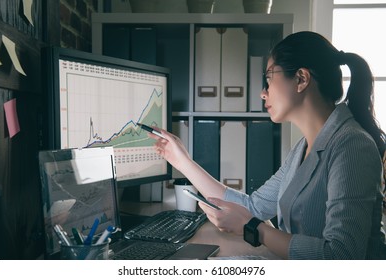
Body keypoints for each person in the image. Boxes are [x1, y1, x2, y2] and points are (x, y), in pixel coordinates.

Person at [149, 31, 386, 259]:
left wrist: (255, 229)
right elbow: (254, 206)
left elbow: (341, 255)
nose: (263, 93)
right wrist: (183, 162)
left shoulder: (352, 146)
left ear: (301, 79)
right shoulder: (303, 147)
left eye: (269, 78)